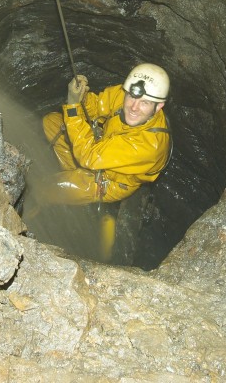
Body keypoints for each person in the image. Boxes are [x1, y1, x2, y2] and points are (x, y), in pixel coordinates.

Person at [31, 63, 172, 259]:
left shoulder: (149, 146)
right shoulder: (124, 95)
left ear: (159, 107)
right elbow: (98, 105)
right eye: (132, 96)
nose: (133, 106)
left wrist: (73, 107)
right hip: (101, 149)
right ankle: (75, 181)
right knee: (51, 123)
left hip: (109, 181)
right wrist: (82, 97)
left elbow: (89, 156)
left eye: (145, 103)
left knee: (43, 189)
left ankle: (39, 205)